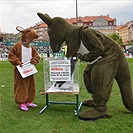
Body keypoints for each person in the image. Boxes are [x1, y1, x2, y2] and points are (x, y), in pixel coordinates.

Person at [8, 26, 40, 111]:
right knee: (21, 85)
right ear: (25, 37)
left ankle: (29, 100)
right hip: (20, 70)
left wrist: (34, 60)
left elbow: (37, 56)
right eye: (30, 39)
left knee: (30, 85)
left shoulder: (31, 48)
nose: (31, 41)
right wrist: (17, 61)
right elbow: (11, 55)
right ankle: (21, 102)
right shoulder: (18, 45)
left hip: (30, 69)